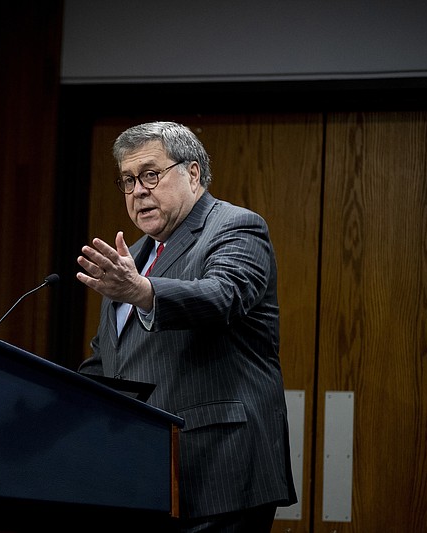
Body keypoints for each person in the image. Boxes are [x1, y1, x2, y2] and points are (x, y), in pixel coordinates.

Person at [76, 121, 297, 532]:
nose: (138, 190)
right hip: (149, 477)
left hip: (219, 469)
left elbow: (223, 296)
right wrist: (48, 398)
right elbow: (111, 360)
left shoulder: (235, 226)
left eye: (150, 175)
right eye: (127, 180)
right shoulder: (135, 257)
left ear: (192, 173)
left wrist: (143, 292)